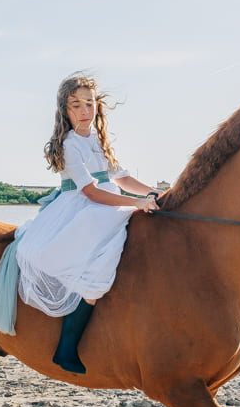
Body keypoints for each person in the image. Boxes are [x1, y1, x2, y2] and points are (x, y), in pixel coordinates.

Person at [15, 73, 159, 374]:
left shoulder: (99, 140)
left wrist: (153, 193)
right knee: (98, 266)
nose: (84, 110)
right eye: (76, 105)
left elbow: (121, 178)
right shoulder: (69, 144)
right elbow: (91, 191)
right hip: (83, 208)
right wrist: (135, 204)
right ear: (65, 110)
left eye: (89, 103)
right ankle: (67, 346)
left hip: (107, 203)